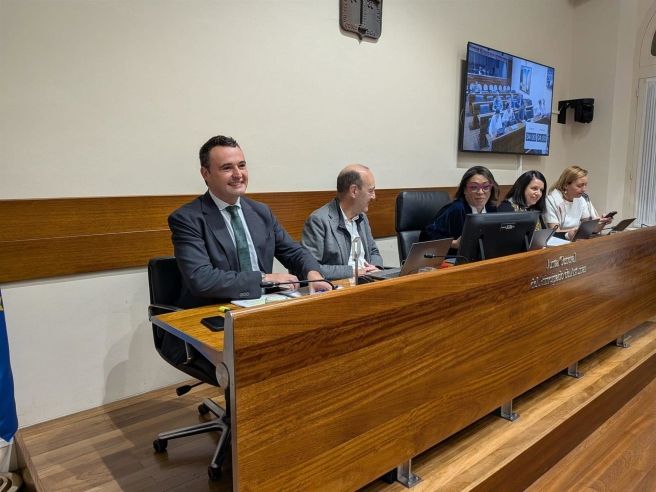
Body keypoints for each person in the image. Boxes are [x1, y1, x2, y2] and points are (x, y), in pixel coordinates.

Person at [169, 135, 332, 308]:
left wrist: (313, 274)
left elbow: (294, 252)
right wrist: (265, 278)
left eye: (242, 165)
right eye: (227, 168)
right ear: (206, 173)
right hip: (213, 311)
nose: (238, 174)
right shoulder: (187, 218)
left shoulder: (261, 212)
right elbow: (201, 279)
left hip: (262, 306)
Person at [301, 165, 384, 280]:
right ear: (354, 191)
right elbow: (311, 268)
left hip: (369, 281)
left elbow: (373, 251)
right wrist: (353, 272)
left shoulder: (362, 217)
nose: (374, 196)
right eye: (370, 191)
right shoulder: (319, 221)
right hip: (343, 286)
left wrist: (375, 267)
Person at [420, 166, 499, 252]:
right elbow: (426, 237)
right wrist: (453, 244)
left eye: (486, 187)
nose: (480, 192)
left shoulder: (491, 209)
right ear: (465, 190)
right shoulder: (456, 209)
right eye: (474, 187)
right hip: (453, 257)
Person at [544, 165, 613, 240]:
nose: (584, 189)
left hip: (577, 239)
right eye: (580, 186)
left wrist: (602, 223)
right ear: (566, 185)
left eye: (585, 185)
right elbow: (554, 233)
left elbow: (591, 230)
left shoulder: (581, 199)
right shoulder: (552, 200)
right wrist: (573, 232)